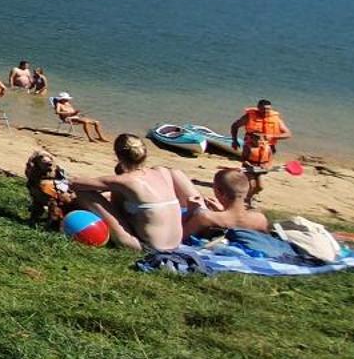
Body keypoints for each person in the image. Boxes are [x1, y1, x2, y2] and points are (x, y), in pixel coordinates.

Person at [65, 134, 208, 251]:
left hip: (146, 247)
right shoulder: (162, 173)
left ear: (119, 156)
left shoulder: (126, 180)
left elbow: (75, 183)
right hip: (175, 243)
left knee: (84, 192)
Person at [187, 167, 271, 236]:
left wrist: (191, 211)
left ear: (220, 192)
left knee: (175, 173)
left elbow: (178, 239)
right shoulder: (260, 219)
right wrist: (222, 211)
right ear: (248, 190)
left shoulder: (205, 217)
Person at [230, 99, 292, 168]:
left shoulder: (276, 119)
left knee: (262, 170)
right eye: (263, 109)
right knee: (247, 168)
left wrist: (273, 136)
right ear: (258, 108)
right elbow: (235, 126)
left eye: (268, 109)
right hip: (251, 147)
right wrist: (234, 140)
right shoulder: (249, 117)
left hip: (268, 148)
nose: (266, 111)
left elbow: (288, 134)